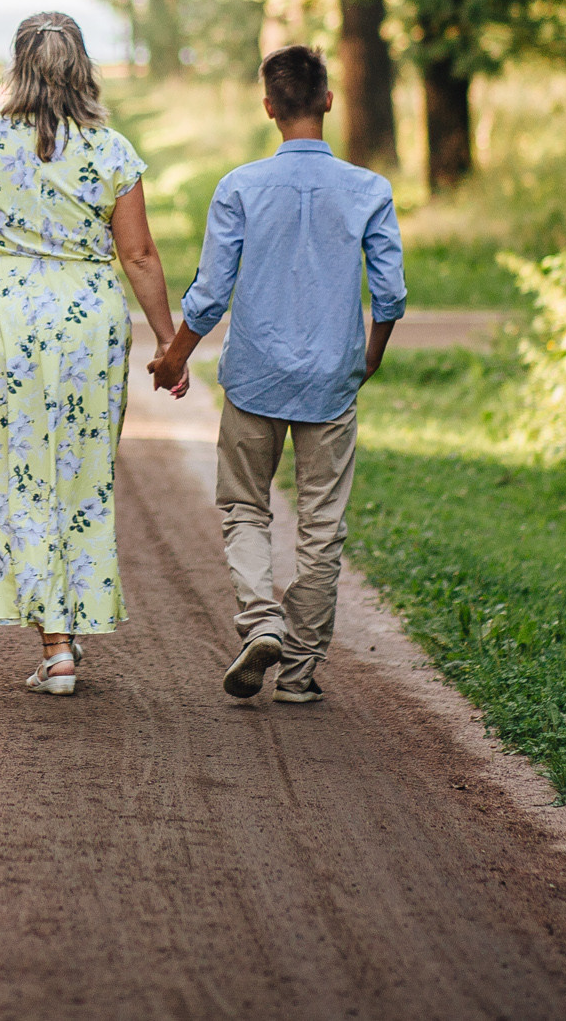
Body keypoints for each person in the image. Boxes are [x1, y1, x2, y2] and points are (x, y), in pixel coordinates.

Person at [0, 11, 186, 697]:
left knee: (23, 472)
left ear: (18, 67)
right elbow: (139, 253)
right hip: (89, 320)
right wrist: (168, 340)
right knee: (80, 472)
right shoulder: (113, 151)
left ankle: (57, 644)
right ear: (83, 67)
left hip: (8, 319)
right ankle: (67, 628)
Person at [145, 44, 406, 705]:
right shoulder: (370, 190)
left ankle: (261, 620)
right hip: (330, 381)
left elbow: (209, 293)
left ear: (268, 107)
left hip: (255, 376)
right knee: (322, 524)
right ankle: (298, 671)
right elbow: (391, 291)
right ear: (326, 100)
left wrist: (175, 356)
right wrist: (369, 355)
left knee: (243, 506)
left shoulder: (239, 187)